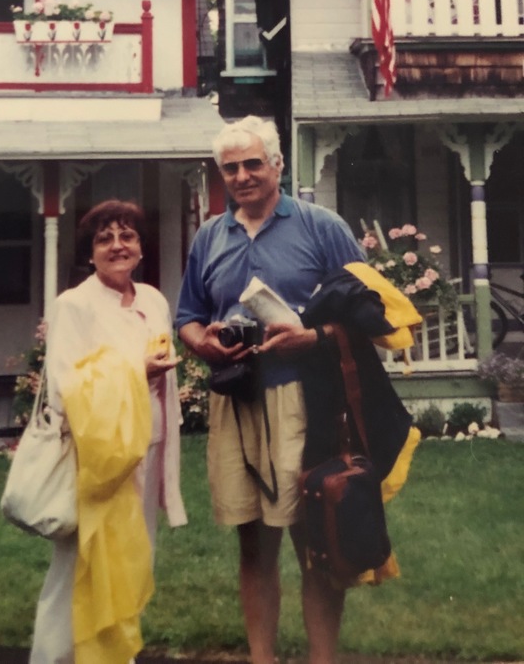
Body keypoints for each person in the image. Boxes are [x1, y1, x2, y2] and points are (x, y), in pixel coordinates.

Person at [175, 116, 365, 664]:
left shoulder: (320, 226)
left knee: (315, 546)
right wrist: (203, 343)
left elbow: (371, 311)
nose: (242, 176)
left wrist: (312, 337)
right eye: (230, 168)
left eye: (253, 163)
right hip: (236, 403)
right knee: (254, 547)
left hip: (305, 400)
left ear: (278, 164)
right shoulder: (210, 236)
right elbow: (187, 316)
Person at [30, 199, 187, 664]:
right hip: (96, 461)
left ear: (141, 247)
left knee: (132, 562)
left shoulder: (153, 300)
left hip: (148, 450)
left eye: (127, 236)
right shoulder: (74, 306)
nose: (118, 246)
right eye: (105, 239)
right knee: (80, 569)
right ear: (89, 252)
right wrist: (136, 370)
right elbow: (64, 389)